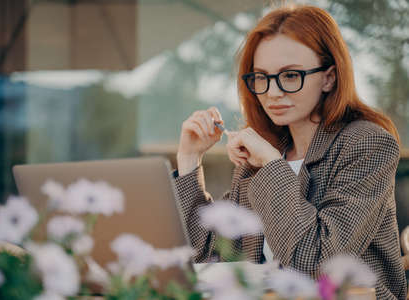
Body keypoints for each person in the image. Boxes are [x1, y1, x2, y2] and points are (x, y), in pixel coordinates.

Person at [172, 4, 407, 300]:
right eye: (261, 77)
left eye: (291, 76)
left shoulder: (368, 144)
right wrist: (190, 160)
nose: (272, 92)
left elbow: (316, 264)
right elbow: (208, 255)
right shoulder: (264, 151)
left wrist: (271, 164)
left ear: (329, 77)